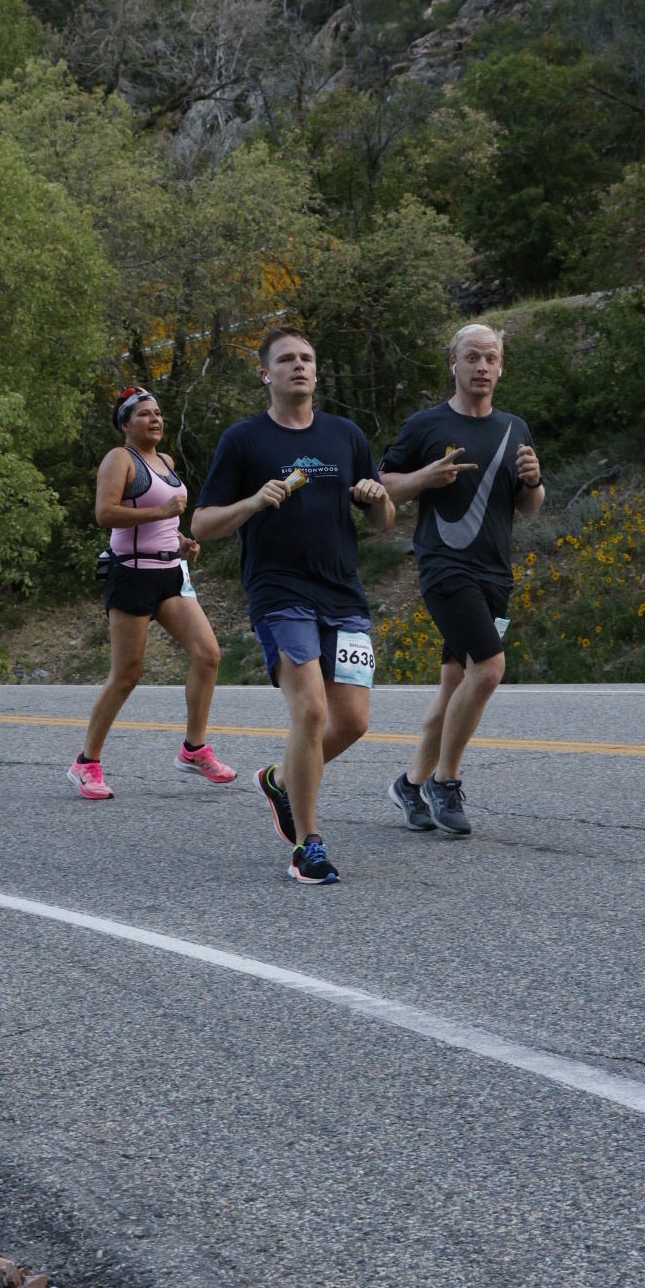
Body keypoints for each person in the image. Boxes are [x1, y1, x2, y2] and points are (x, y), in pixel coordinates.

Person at [192, 326, 393, 886]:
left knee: (352, 721)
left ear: (316, 371)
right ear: (266, 374)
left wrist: (377, 498)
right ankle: (309, 844)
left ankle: (281, 780)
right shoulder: (244, 440)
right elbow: (201, 524)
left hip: (342, 593)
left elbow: (382, 521)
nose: (298, 366)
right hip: (279, 592)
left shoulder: (345, 435)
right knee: (310, 711)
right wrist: (254, 501)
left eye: (306, 358)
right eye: (286, 359)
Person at [379, 323, 543, 835]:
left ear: (501, 367)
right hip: (445, 566)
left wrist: (534, 481)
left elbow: (528, 506)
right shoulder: (425, 424)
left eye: (491, 358)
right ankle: (443, 782)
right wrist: (424, 477)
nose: (482, 366)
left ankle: (410, 784)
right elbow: (381, 486)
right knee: (489, 669)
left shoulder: (515, 428)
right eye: (472, 356)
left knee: (455, 684)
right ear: (453, 363)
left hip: (496, 574)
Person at [67, 387, 236, 801]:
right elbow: (105, 513)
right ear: (126, 424)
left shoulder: (166, 462)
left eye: (158, 413)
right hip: (131, 574)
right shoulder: (120, 459)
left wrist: (181, 542)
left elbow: (164, 523)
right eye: (144, 414)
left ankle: (193, 749)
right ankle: (85, 763)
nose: (155, 419)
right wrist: (160, 512)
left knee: (208, 655)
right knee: (126, 674)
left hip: (170, 574)